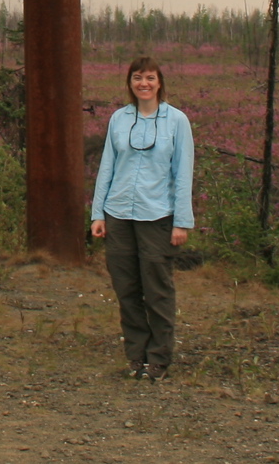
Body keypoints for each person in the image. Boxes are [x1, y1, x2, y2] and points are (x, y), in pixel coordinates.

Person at [89, 54, 194, 380]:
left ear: (159, 82)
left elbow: (183, 173)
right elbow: (107, 166)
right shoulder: (119, 119)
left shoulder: (177, 121)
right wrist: (98, 213)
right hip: (119, 214)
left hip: (157, 217)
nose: (143, 84)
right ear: (130, 83)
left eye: (149, 78)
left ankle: (159, 357)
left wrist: (181, 222)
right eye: (137, 78)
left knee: (157, 288)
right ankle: (136, 357)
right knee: (127, 288)